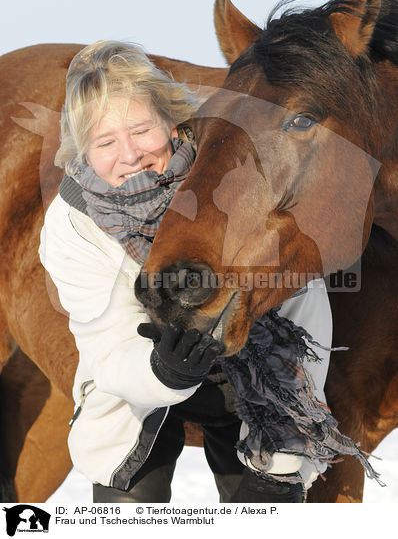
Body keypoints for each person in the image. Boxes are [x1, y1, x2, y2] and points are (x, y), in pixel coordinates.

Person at [39, 40, 333, 503]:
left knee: (267, 511)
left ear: (174, 126)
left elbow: (302, 300)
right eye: (105, 141)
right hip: (137, 386)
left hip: (253, 383)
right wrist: (166, 371)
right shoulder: (73, 221)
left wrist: (287, 425)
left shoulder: (237, 178)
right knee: (126, 513)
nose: (130, 154)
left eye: (141, 130)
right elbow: (106, 345)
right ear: (84, 153)